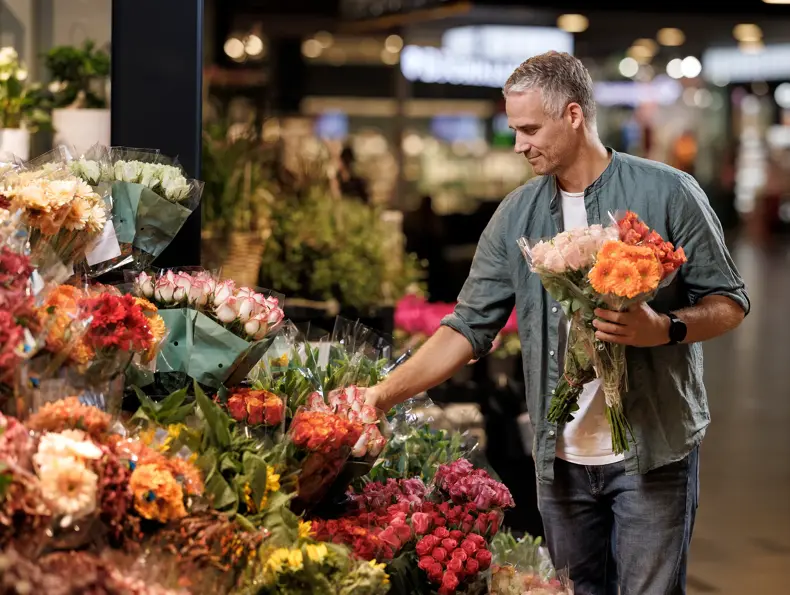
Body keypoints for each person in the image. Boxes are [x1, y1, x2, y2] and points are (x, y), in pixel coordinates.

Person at [364, 52, 749, 595]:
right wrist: (381, 396)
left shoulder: (668, 192)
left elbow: (729, 302)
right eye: (514, 130)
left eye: (529, 130)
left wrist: (665, 328)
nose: (518, 145)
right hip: (560, 460)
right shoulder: (515, 215)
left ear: (573, 115)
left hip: (652, 452)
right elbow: (467, 327)